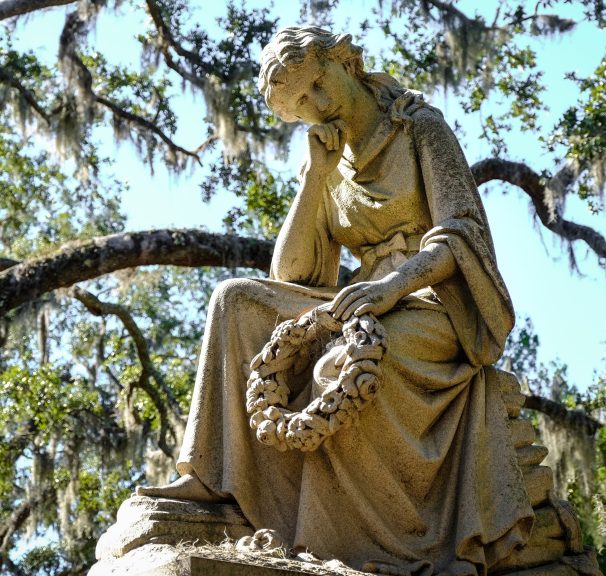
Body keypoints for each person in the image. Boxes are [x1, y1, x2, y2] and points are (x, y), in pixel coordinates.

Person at [138, 26, 533, 575]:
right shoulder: (325, 158)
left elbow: (461, 232)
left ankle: (364, 545)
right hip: (355, 301)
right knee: (235, 299)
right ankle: (208, 477)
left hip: (427, 301)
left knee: (337, 367)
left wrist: (393, 286)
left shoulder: (418, 128)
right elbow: (296, 272)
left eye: (319, 84)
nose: (318, 106)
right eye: (301, 105)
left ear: (344, 61)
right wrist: (316, 179)